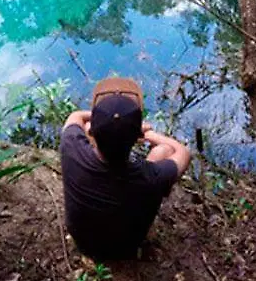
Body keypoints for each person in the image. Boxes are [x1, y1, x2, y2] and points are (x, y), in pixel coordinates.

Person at [59, 77, 191, 261]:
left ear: (93, 133)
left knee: (86, 125)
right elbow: (183, 152)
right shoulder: (152, 177)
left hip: (84, 243)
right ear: (136, 137)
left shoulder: (70, 147)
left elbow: (76, 117)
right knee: (164, 150)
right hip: (126, 247)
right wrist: (149, 134)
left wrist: (102, 119)